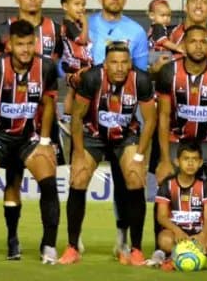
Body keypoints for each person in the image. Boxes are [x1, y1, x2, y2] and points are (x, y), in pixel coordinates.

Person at [0, 20, 61, 263]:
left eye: (30, 44)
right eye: (20, 44)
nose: (26, 50)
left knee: (49, 183)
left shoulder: (47, 68)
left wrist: (44, 142)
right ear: (10, 45)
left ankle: (48, 247)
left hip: (28, 137)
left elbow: (48, 105)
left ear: (36, 43)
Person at [65, 41, 156, 265]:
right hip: (92, 134)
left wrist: (139, 156)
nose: (119, 68)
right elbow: (77, 117)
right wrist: (78, 152)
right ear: (105, 64)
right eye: (114, 62)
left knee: (135, 177)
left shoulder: (141, 81)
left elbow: (151, 119)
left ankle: (135, 248)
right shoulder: (92, 78)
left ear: (130, 64)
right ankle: (73, 246)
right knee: (78, 177)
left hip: (125, 136)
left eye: (124, 63)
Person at [154, 25, 207, 268]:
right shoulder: (169, 72)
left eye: (203, 42)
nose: (198, 46)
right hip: (176, 139)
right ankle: (161, 248)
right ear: (184, 45)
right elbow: (163, 117)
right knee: (165, 181)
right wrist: (164, 158)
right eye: (193, 41)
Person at [147, 140, 207, 269]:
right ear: (177, 161)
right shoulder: (166, 185)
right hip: (175, 232)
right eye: (186, 159)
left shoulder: (205, 186)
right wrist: (177, 231)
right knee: (164, 241)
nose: (190, 163)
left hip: (197, 231)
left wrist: (202, 235)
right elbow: (161, 216)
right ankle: (185, 254)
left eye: (195, 159)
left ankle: (180, 254)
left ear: (200, 162)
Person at [85, 0, 150, 70]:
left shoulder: (137, 31)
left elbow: (141, 70)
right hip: (90, 82)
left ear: (125, 1)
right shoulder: (85, 25)